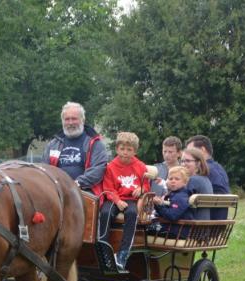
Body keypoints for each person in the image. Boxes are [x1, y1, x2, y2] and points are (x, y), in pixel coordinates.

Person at [97, 132, 149, 271]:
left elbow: (146, 185)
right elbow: (108, 188)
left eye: (129, 150)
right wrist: (117, 201)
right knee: (106, 212)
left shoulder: (141, 166)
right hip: (114, 198)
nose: (125, 153)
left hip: (131, 199)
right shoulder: (111, 166)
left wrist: (141, 188)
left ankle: (123, 253)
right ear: (117, 149)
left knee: (132, 214)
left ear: (135, 151)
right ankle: (103, 249)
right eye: (122, 149)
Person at [41, 102, 108, 193]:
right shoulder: (53, 144)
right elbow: (44, 168)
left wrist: (76, 183)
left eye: (74, 119)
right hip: (57, 190)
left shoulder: (95, 143)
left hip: (85, 190)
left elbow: (98, 170)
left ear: (82, 120)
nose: (70, 123)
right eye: (67, 119)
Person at [185, 135, 230, 219]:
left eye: (191, 151)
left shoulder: (201, 172)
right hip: (220, 223)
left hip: (203, 223)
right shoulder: (219, 168)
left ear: (202, 149)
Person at [152, 166, 194, 238]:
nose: (173, 181)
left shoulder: (181, 197)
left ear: (185, 182)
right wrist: (158, 205)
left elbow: (172, 215)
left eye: (177, 179)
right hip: (173, 229)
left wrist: (159, 205)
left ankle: (127, 248)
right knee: (149, 227)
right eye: (170, 178)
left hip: (177, 232)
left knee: (143, 230)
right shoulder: (175, 194)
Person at [179, 147, 213, 220]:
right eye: (182, 161)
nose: (183, 164)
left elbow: (179, 204)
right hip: (204, 227)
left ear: (198, 163)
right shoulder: (206, 180)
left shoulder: (192, 180)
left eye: (187, 161)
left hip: (191, 227)